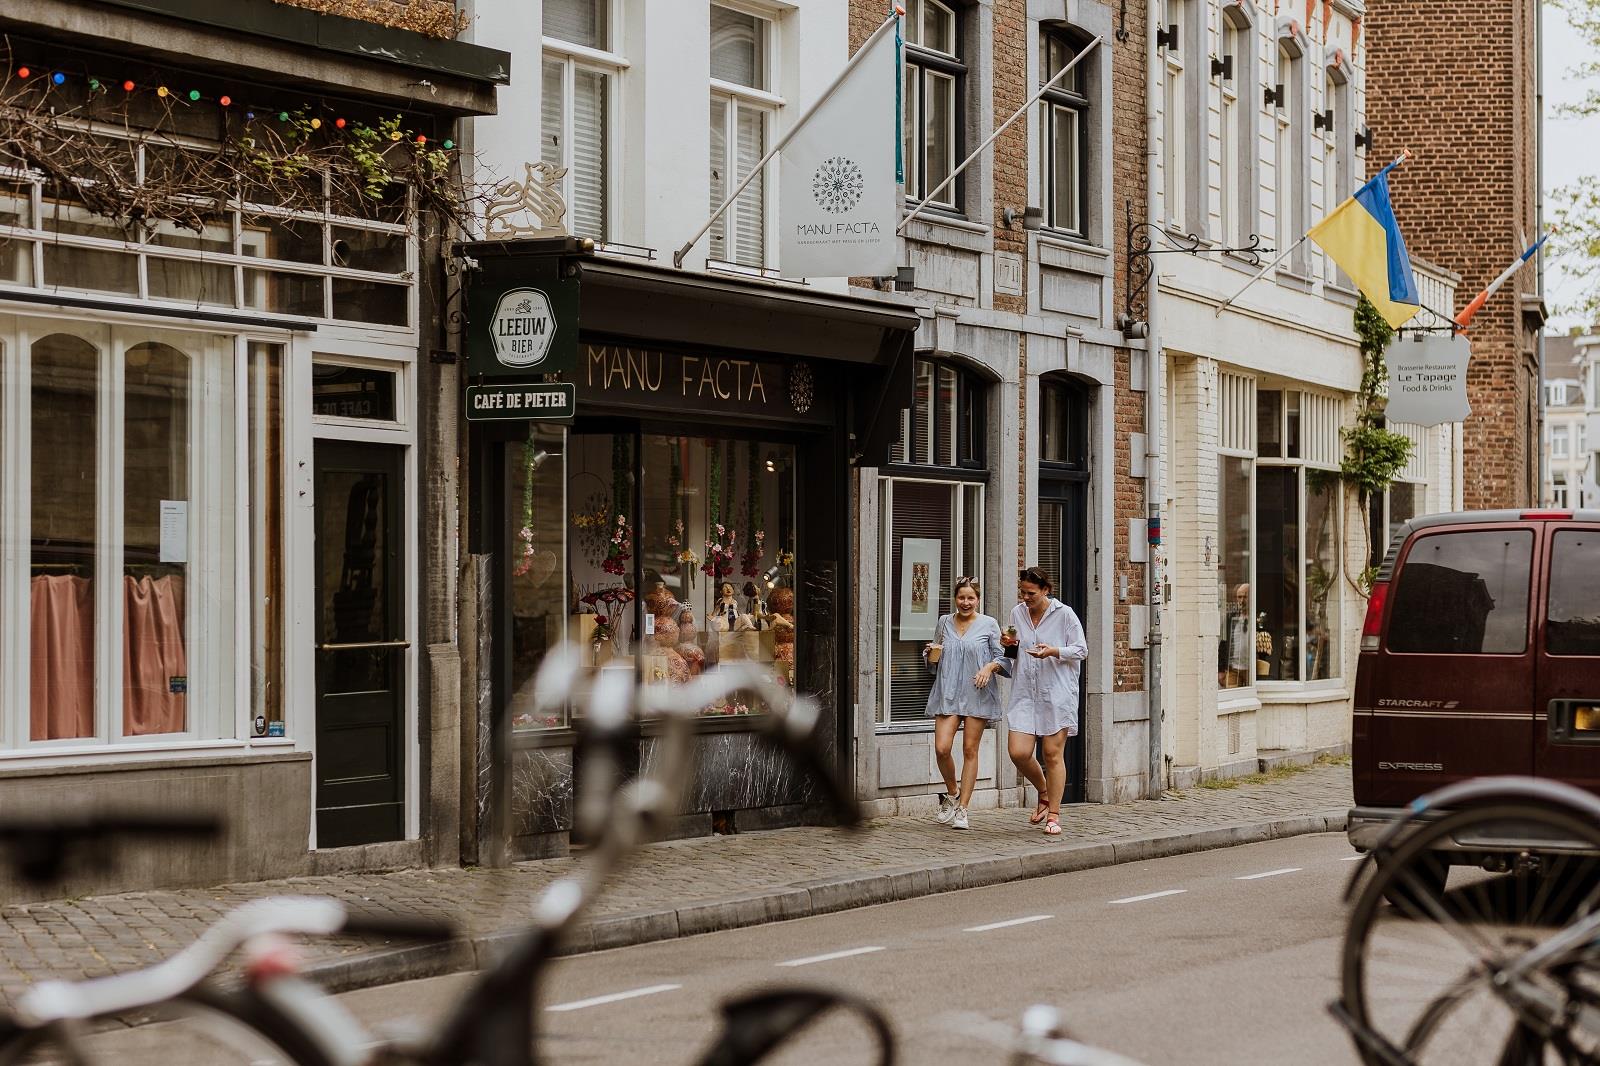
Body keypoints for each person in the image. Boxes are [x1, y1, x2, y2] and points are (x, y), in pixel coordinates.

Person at [1003, 566, 1088, 836]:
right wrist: (1008, 646)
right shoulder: (1017, 613)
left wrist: (1054, 651)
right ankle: (1043, 791)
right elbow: (1012, 652)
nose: (1026, 598)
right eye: (1023, 592)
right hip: (1025, 692)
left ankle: (1054, 814)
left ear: (1045, 590)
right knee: (1018, 752)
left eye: (1031, 593)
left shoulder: (1064, 615)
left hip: (1056, 694)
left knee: (1052, 755)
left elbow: (1081, 649)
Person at [923, 577, 1008, 830]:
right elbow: (935, 662)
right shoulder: (943, 622)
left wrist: (988, 667)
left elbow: (1004, 659)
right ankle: (952, 792)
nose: (966, 602)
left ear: (978, 600)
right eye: (961, 597)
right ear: (955, 599)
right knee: (942, 748)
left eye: (971, 598)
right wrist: (930, 655)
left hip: (976, 692)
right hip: (947, 691)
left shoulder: (989, 625)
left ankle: (963, 809)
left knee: (970, 750)